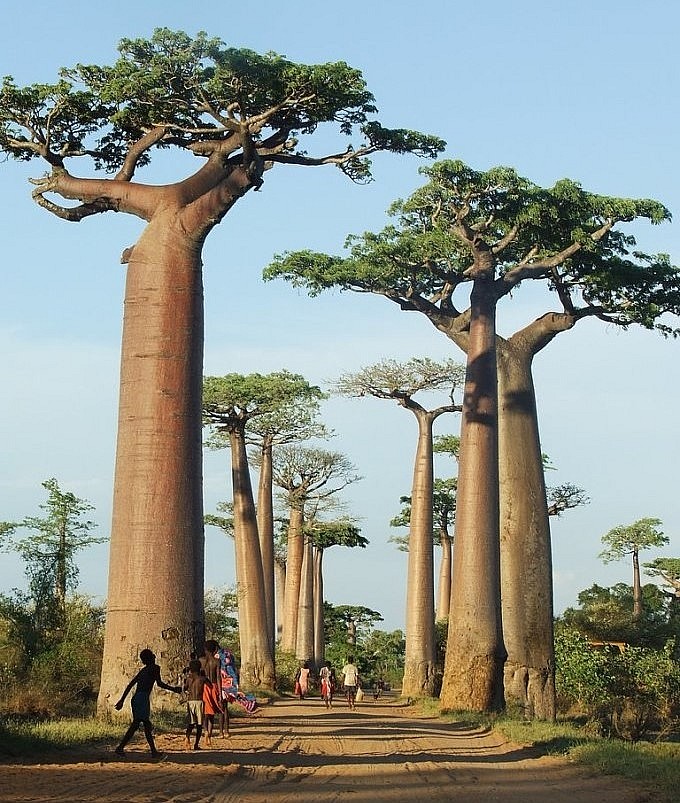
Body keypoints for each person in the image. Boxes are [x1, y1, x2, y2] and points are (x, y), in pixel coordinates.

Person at [114, 648, 182, 757]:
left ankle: (151, 751)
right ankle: (122, 747)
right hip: (142, 698)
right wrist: (174, 689)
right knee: (140, 724)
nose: (155, 657)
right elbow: (159, 684)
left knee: (144, 725)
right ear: (150, 658)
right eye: (152, 655)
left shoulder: (143, 670)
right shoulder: (155, 668)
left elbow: (130, 684)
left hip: (137, 698)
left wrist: (122, 700)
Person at [201, 640, 228, 739]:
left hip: (204, 686)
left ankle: (205, 731)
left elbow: (199, 675)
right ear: (214, 650)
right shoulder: (217, 661)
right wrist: (220, 694)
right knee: (216, 710)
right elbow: (218, 677)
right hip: (214, 686)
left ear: (205, 649)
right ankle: (215, 733)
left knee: (206, 710)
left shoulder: (201, 660)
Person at [183, 659, 207, 750]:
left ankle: (187, 737)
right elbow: (210, 686)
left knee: (191, 723)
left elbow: (184, 688)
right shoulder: (202, 679)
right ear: (200, 668)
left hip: (190, 702)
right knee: (199, 725)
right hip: (199, 702)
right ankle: (196, 744)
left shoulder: (189, 679)